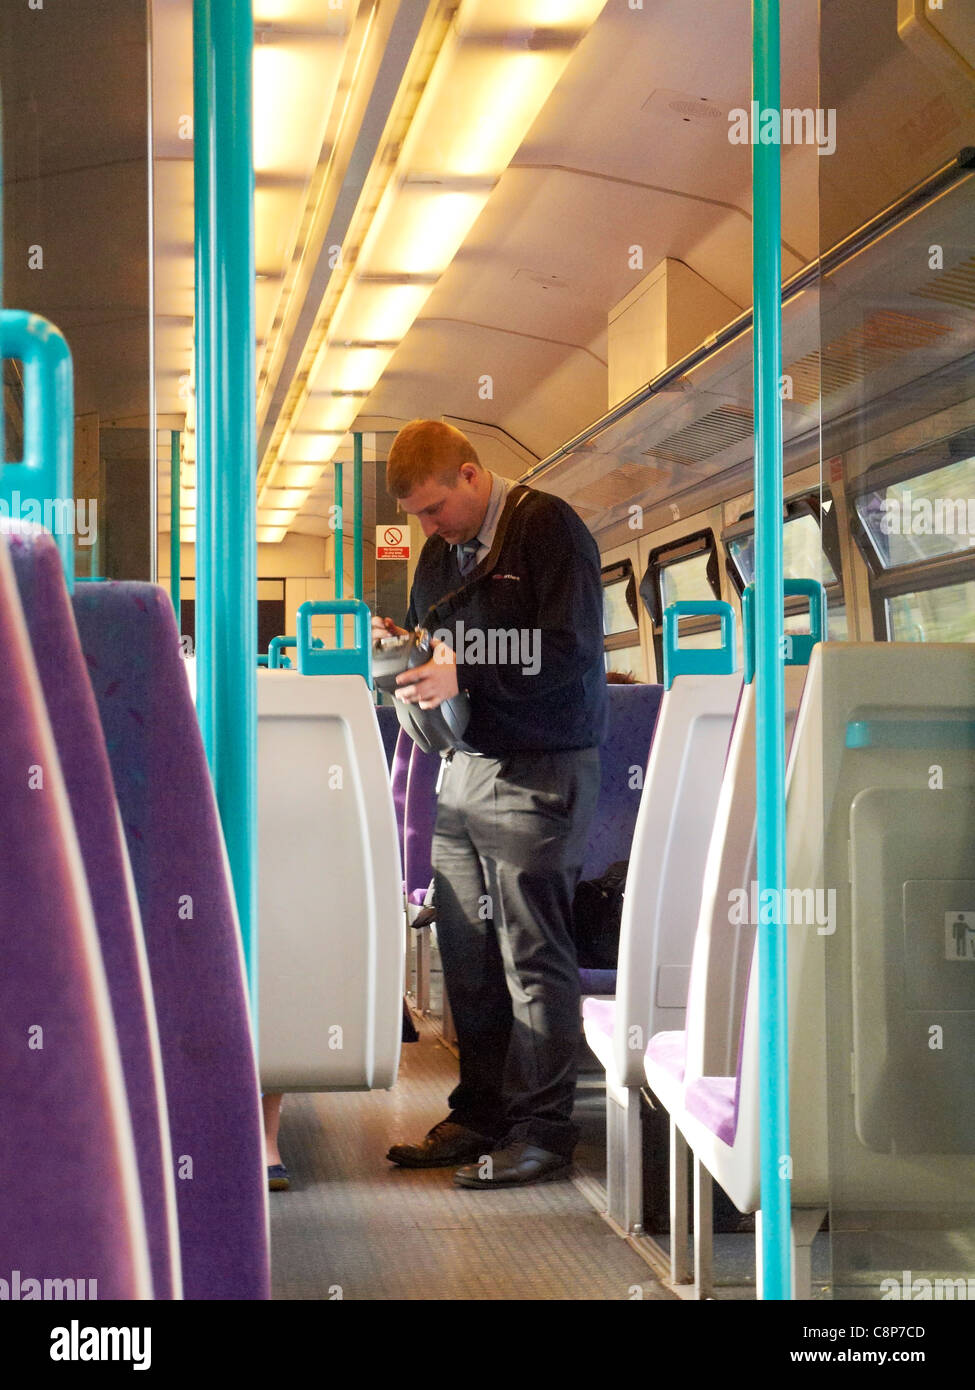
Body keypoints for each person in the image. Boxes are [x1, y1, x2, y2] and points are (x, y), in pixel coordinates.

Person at [375, 420, 607, 1187]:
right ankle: (480, 1114)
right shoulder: (441, 554)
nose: (426, 527)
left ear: (472, 477)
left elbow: (569, 647)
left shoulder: (547, 528)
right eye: (416, 515)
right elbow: (438, 643)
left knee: (531, 956)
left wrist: (465, 675)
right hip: (464, 768)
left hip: (539, 769)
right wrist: (406, 648)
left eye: (435, 507)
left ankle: (544, 1132)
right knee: (468, 958)